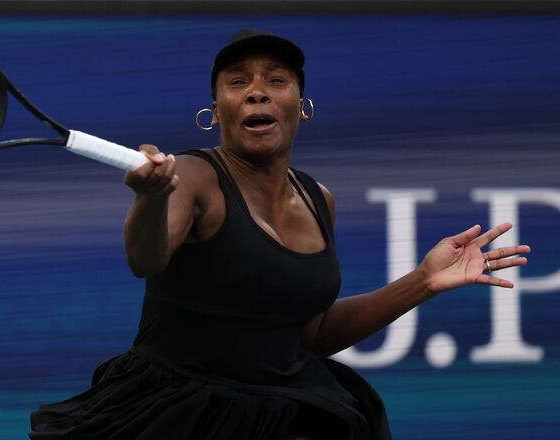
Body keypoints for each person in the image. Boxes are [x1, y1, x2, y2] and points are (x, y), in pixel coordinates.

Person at [29, 29, 530, 440]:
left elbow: (312, 336)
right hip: (180, 411)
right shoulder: (192, 176)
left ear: (300, 104)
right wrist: (152, 197)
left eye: (277, 79)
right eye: (237, 81)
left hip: (283, 409)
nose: (257, 90)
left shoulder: (318, 198)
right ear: (216, 110)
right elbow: (147, 258)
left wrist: (421, 280)